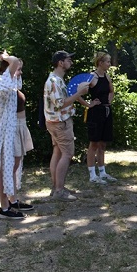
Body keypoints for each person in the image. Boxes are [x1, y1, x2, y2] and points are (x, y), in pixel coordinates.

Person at [0, 52, 34, 219]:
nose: (20, 72)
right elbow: (13, 62)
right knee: (6, 167)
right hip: (8, 130)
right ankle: (4, 208)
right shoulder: (3, 86)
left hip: (18, 127)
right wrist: (5, 57)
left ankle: (12, 200)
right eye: (18, 69)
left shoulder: (12, 84)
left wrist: (12, 64)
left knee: (14, 166)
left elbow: (15, 66)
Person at [44, 50, 90, 200]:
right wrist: (79, 93)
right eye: (68, 60)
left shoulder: (56, 79)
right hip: (60, 122)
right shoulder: (54, 81)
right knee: (67, 154)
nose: (71, 62)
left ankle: (57, 187)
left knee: (57, 152)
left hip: (55, 122)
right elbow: (61, 104)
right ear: (60, 63)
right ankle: (59, 191)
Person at [80, 52, 116, 184]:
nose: (109, 64)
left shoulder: (107, 76)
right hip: (95, 113)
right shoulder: (91, 77)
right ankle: (92, 175)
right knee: (94, 143)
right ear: (100, 63)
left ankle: (102, 172)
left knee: (103, 143)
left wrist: (109, 102)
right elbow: (77, 93)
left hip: (106, 111)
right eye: (107, 62)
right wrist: (88, 104)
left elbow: (111, 91)